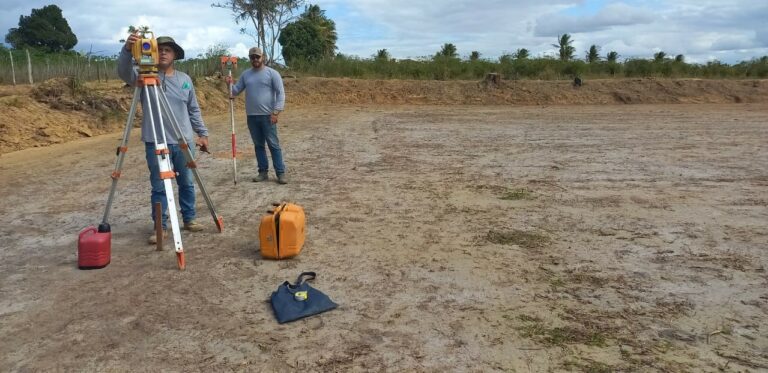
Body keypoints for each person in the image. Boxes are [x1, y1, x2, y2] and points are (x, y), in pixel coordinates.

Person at [117, 33, 210, 244]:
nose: (164, 53)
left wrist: (202, 134)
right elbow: (123, 72)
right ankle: (161, 226)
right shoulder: (143, 77)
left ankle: (190, 218)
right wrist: (126, 51)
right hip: (155, 141)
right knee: (159, 187)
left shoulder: (185, 80)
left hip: (183, 141)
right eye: (159, 49)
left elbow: (193, 110)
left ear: (175, 54)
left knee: (186, 182)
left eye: (168, 49)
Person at [227, 47, 287, 184]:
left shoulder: (272, 74)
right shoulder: (246, 75)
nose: (255, 59)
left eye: (257, 57)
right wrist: (230, 83)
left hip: (268, 116)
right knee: (258, 145)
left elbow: (281, 93)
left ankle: (280, 173)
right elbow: (235, 92)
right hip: (252, 117)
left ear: (263, 57)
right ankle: (263, 172)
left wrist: (276, 111)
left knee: (273, 145)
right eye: (252, 57)